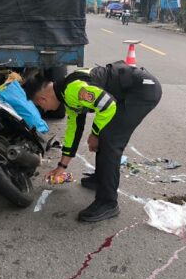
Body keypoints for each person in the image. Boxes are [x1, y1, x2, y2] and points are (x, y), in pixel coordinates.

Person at [23, 62, 162, 222]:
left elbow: (107, 105)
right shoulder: (66, 93)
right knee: (105, 134)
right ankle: (101, 179)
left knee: (110, 140)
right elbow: (74, 131)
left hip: (142, 90)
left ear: (43, 98)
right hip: (130, 92)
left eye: (40, 105)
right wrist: (61, 167)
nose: (45, 110)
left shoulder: (73, 89)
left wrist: (95, 134)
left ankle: (108, 202)